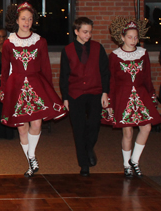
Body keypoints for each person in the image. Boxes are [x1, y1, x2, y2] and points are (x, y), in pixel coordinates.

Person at [0, 2, 66, 177]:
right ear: (17, 20)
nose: (26, 22)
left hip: (37, 85)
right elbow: (4, 70)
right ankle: (31, 161)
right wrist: (3, 90)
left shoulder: (40, 41)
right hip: (16, 86)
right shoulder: (8, 43)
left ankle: (32, 156)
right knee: (22, 128)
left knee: (36, 123)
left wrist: (50, 91)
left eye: (29, 19)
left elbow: (46, 68)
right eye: (23, 19)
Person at [103, 19, 161, 178]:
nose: (133, 40)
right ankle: (126, 165)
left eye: (136, 37)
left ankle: (134, 160)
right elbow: (112, 80)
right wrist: (109, 100)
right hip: (122, 95)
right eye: (130, 37)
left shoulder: (143, 53)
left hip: (141, 95)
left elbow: (147, 77)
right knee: (127, 132)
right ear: (122, 37)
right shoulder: (115, 56)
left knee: (146, 127)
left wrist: (152, 95)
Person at [59, 17, 110, 177]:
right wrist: (65, 97)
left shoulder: (98, 48)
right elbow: (64, 75)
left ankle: (89, 147)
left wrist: (105, 93)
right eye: (85, 32)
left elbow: (105, 72)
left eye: (90, 32)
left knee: (94, 124)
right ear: (76, 32)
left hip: (95, 92)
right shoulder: (67, 50)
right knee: (79, 128)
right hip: (75, 93)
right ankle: (83, 164)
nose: (88, 35)